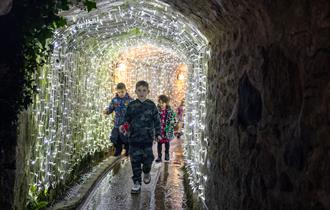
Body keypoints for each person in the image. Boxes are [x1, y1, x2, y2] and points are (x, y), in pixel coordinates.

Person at [120, 80, 161, 194]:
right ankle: (137, 183)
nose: (141, 93)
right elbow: (126, 119)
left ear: (148, 91)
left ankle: (146, 171)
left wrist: (158, 133)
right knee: (135, 161)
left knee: (148, 160)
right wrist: (124, 127)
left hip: (147, 139)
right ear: (135, 92)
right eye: (139, 90)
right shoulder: (132, 105)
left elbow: (157, 121)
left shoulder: (151, 105)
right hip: (134, 139)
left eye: (144, 90)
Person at [104, 83, 133, 156]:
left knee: (126, 138)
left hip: (126, 124)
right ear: (117, 92)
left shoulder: (130, 100)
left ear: (126, 90)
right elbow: (111, 108)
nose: (120, 94)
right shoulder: (114, 100)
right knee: (114, 137)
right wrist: (107, 111)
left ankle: (128, 148)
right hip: (117, 123)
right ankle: (118, 149)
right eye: (119, 92)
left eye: (122, 92)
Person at [155, 95, 176, 163]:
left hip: (167, 129)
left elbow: (174, 120)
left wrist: (173, 123)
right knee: (159, 143)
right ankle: (159, 156)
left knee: (167, 143)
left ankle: (167, 155)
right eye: (160, 102)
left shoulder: (170, 111)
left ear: (166, 103)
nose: (161, 104)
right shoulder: (157, 111)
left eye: (163, 103)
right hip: (160, 130)